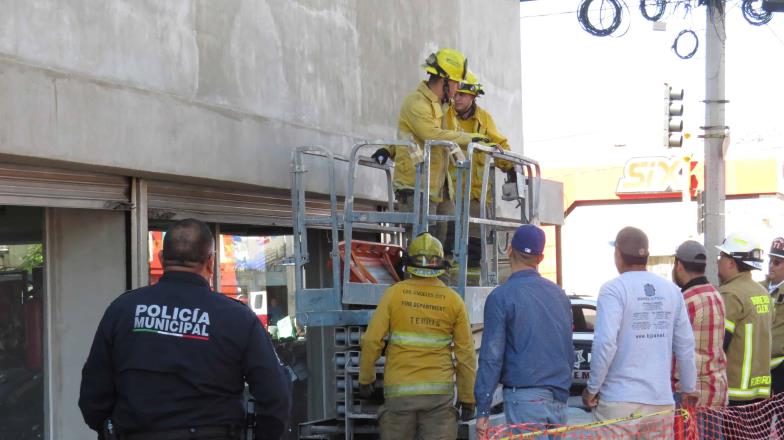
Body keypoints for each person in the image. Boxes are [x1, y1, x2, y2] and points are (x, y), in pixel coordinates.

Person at [79, 219, 291, 440]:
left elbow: (93, 396)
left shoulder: (122, 310)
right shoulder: (237, 317)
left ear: (161, 259)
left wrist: (111, 429)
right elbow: (275, 396)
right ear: (210, 262)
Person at [358, 232, 476, 440]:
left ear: (409, 263)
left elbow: (371, 340)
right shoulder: (453, 301)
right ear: (440, 264)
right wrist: (468, 398)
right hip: (438, 399)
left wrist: (366, 379)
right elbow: (465, 355)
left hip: (399, 395)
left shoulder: (394, 294)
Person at [583, 227, 697, 437]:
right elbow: (685, 345)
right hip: (660, 403)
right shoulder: (672, 291)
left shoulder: (613, 289)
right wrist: (689, 387)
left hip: (619, 402)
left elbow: (606, 343)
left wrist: (592, 389)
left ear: (617, 253)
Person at [370, 49, 488, 248]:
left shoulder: (441, 107)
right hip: (415, 185)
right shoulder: (416, 102)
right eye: (456, 83)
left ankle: (440, 278)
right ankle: (416, 279)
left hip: (437, 186)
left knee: (444, 246)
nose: (458, 88)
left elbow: (417, 134)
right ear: (445, 81)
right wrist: (470, 138)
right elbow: (429, 134)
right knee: (422, 248)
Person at [475, 224, 573, 439]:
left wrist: (483, 409)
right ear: (540, 258)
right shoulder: (559, 295)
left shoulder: (501, 297)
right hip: (559, 397)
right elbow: (568, 349)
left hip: (525, 399)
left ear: (509, 250)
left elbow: (491, 357)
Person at [445, 71, 513, 272]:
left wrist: (509, 165)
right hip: (449, 197)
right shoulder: (445, 115)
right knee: (447, 246)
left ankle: (471, 283)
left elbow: (500, 144)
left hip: (476, 199)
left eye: (463, 95)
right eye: (456, 94)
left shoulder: (484, 119)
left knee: (474, 251)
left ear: (473, 97)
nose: (457, 98)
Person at [715, 232, 772, 405]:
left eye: (721, 257)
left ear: (731, 263)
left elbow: (719, 343)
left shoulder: (729, 294)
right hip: (761, 390)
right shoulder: (763, 293)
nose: (718, 261)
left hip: (735, 391)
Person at [671, 240, 728, 407]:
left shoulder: (684, 301)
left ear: (679, 265)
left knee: (687, 435)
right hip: (717, 391)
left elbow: (676, 351)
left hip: (690, 396)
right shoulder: (717, 296)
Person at [765, 237, 784, 393]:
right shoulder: (757, 288)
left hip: (780, 366)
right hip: (759, 366)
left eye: (777, 262)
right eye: (770, 261)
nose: (771, 266)